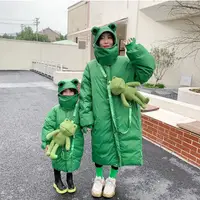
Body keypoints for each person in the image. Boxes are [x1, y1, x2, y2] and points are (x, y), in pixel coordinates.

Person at [79, 23, 155, 198]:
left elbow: (147, 69)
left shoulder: (126, 62)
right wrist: (86, 117)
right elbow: (85, 94)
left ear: (114, 40)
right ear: (96, 42)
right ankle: (99, 177)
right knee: (99, 147)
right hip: (100, 117)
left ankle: (112, 179)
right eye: (102, 38)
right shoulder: (91, 66)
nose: (105, 41)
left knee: (117, 147)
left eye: (109, 37)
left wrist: (133, 49)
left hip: (122, 113)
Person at [41, 79, 84, 194]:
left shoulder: (79, 109)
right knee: (57, 159)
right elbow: (48, 126)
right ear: (60, 93)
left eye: (71, 91)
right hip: (58, 140)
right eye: (65, 91)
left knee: (71, 159)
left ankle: (70, 179)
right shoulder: (55, 110)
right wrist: (47, 143)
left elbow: (84, 122)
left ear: (76, 93)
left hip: (74, 140)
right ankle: (57, 180)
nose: (68, 94)